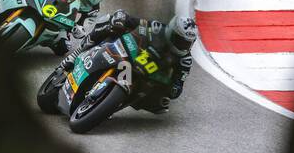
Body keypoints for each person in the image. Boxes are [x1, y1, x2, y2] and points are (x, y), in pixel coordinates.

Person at [60, 10, 197, 114]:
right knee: (110, 22)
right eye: (180, 40)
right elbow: (134, 22)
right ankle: (78, 52)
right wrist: (122, 19)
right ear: (171, 32)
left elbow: (178, 85)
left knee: (161, 104)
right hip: (132, 55)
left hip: (150, 78)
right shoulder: (157, 28)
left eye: (187, 43)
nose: (182, 45)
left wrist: (172, 88)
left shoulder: (185, 60)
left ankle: (109, 105)